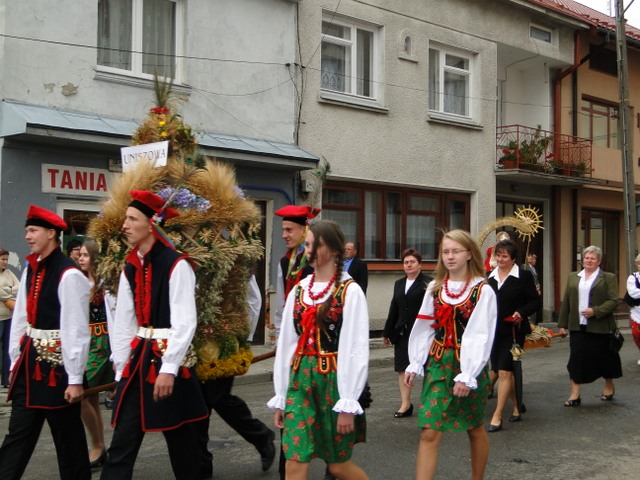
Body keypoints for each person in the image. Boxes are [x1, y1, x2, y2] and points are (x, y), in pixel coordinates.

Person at [100, 190, 208, 480]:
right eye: (125, 218)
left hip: (168, 359)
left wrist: (169, 368)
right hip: (138, 362)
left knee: (181, 440)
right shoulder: (130, 265)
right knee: (123, 439)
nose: (125, 225)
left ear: (151, 224)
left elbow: (185, 321)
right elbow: (124, 321)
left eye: (132, 219)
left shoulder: (177, 264)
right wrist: (121, 368)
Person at [269, 220, 369, 480]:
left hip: (334, 384)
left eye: (316, 245)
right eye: (307, 245)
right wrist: (281, 395)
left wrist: (348, 401)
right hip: (300, 382)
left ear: (335, 250)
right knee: (294, 460)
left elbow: (356, 349)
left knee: (337, 466)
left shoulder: (350, 291)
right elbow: (287, 344)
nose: (309, 251)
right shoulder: (299, 289)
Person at [0, 205, 91, 480]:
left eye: (33, 230)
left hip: (58, 368)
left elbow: (76, 329)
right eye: (27, 231)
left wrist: (75, 378)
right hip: (29, 364)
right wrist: (15, 360)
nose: (27, 236)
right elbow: (21, 317)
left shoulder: (69, 274)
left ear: (51, 233)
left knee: (68, 438)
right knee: (18, 434)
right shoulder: (31, 269)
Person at [404, 230, 497, 480]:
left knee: (474, 427)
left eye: (456, 251)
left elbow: (481, 334)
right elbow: (424, 326)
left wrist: (468, 373)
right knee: (429, 430)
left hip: (469, 365)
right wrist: (415, 361)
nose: (450, 256)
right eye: (445, 252)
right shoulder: (435, 288)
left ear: (469, 254)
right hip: (438, 363)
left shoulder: (482, 291)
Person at [196, 273, 276, 479]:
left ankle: (261, 437)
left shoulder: (233, 262)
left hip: (224, 339)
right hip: (193, 341)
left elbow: (254, 299)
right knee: (198, 404)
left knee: (219, 398)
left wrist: (244, 336)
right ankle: (201, 465)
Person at [558, 245, 621, 406]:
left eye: (593, 258)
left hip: (601, 327)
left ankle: (609, 385)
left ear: (599, 261)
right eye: (587, 258)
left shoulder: (608, 277)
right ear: (583, 260)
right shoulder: (573, 277)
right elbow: (567, 302)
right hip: (578, 327)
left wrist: (595, 311)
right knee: (575, 360)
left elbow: (613, 301)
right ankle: (575, 394)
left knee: (605, 359)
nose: (589, 260)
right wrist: (562, 324)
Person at [487, 239, 540, 432]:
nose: (500, 259)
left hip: (513, 331)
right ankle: (517, 407)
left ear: (513, 259)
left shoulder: (523, 276)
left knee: (505, 371)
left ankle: (497, 415)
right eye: (498, 255)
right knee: (500, 369)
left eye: (504, 256)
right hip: (493, 331)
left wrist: (520, 312)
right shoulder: (490, 276)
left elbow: (535, 302)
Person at [77, 240, 115, 468]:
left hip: (101, 343)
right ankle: (98, 447)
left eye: (85, 255)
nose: (80, 258)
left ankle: (98, 446)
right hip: (84, 341)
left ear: (94, 258)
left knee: (81, 393)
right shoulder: (77, 280)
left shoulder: (105, 284)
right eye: (79, 255)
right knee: (90, 396)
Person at [382, 248, 430, 418]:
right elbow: (394, 308)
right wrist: (387, 332)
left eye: (412, 262)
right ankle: (405, 404)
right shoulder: (399, 284)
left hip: (422, 334)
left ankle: (429, 404)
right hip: (402, 333)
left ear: (420, 264)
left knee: (427, 368)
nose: (409, 265)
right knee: (403, 368)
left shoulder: (428, 283)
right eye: (406, 262)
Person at [273, 205, 320, 341]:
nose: (284, 236)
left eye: (289, 230)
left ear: (304, 230)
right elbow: (281, 304)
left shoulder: (318, 260)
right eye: (283, 230)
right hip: (291, 333)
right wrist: (280, 336)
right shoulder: (285, 262)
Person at [0, 248, 20, 388]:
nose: (5, 262)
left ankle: (6, 379)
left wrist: (7, 291)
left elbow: (19, 287)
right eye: (3, 259)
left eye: (7, 259)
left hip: (9, 316)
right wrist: (9, 292)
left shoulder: (9, 273)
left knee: (7, 347)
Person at [626, 253, 640, 365]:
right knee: (636, 334)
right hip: (637, 312)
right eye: (639, 264)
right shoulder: (633, 277)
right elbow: (633, 293)